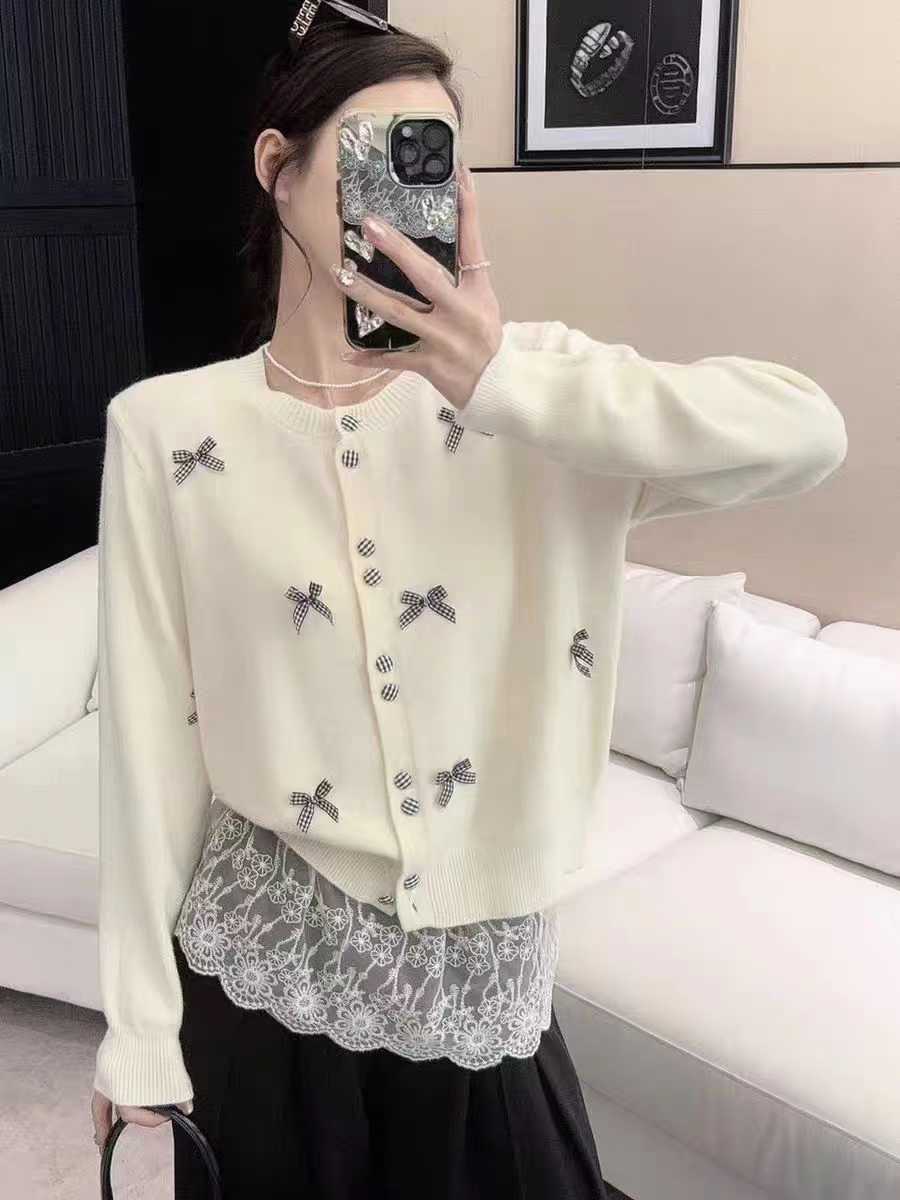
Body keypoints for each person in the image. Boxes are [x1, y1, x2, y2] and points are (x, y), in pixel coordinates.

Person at [89, 4, 848, 1198]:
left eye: (432, 161)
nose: (404, 194)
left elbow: (807, 433)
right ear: (277, 167)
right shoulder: (164, 429)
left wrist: (506, 382)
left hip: (484, 1001)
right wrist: (138, 1026)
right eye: (376, 152)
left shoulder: (535, 401)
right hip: (256, 981)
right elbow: (147, 742)